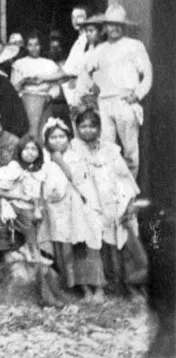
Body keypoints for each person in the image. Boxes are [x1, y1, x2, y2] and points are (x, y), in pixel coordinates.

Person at [70, 109, 148, 289]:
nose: (88, 130)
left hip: (114, 199)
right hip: (91, 202)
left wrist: (126, 202)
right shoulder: (75, 148)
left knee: (124, 234)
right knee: (94, 236)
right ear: (77, 128)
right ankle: (101, 284)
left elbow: (123, 177)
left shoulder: (110, 150)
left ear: (99, 128)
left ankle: (130, 284)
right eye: (83, 126)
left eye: (92, 126)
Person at [77, 5, 152, 179]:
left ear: (124, 26)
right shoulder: (100, 49)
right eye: (111, 24)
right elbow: (85, 73)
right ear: (105, 27)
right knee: (106, 149)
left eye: (118, 24)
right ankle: (111, 195)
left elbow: (147, 74)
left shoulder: (134, 45)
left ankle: (130, 196)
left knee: (130, 151)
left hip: (125, 101)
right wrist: (86, 96)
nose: (114, 28)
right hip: (104, 103)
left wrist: (138, 94)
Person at [42, 117, 105, 301]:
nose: (58, 141)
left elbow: (79, 180)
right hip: (59, 210)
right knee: (68, 250)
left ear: (68, 138)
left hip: (79, 206)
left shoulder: (75, 157)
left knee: (87, 246)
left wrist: (60, 161)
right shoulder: (45, 160)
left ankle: (98, 288)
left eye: (61, 136)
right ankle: (83, 289)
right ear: (47, 141)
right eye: (53, 138)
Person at [0, 135, 59, 263]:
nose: (30, 152)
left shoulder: (37, 169)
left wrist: (37, 208)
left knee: (41, 215)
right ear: (20, 151)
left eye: (33, 149)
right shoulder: (15, 167)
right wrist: (20, 196)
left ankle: (29, 247)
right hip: (12, 203)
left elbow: (35, 194)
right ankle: (35, 253)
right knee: (29, 220)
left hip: (29, 203)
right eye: (26, 149)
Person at [11, 31, 61, 140]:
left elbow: (55, 87)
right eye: (30, 45)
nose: (34, 48)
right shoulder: (19, 64)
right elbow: (14, 88)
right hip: (26, 102)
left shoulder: (49, 64)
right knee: (29, 133)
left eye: (36, 45)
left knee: (44, 132)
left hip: (45, 100)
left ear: (41, 46)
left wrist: (50, 96)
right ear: (26, 46)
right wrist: (23, 87)